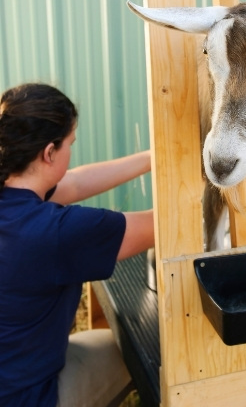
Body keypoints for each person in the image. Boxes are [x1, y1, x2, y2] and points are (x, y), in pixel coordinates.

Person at [0, 82, 154, 407]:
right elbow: (160, 225)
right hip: (26, 397)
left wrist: (155, 157)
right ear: (49, 152)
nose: (73, 151)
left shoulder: (13, 191)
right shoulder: (53, 233)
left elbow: (76, 181)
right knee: (132, 351)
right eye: (70, 142)